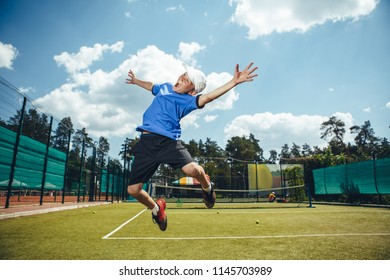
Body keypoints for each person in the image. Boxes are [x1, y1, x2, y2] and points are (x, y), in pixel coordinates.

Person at [125, 62, 258, 231]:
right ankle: (157, 210)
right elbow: (151, 86)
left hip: (168, 142)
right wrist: (136, 81)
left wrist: (233, 82)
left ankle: (207, 187)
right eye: (183, 75)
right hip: (146, 144)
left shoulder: (188, 101)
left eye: (187, 80)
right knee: (133, 190)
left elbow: (208, 97)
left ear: (192, 91)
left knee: (192, 171)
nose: (181, 78)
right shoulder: (165, 87)